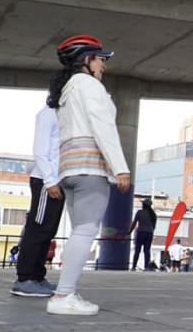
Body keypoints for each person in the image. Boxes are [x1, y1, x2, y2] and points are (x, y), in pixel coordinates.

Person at [45, 34, 130, 315]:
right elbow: (103, 126)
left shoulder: (67, 90)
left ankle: (65, 292)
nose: (104, 64)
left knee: (79, 232)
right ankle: (63, 295)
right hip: (90, 167)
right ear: (87, 60)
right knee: (84, 232)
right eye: (100, 59)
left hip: (69, 169)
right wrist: (120, 167)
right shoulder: (89, 86)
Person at [11, 102, 65, 297]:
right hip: (45, 180)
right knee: (37, 229)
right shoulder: (48, 114)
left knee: (48, 231)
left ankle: (37, 277)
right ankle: (24, 279)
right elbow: (40, 151)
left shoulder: (67, 115)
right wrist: (50, 182)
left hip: (58, 180)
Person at [130, 198, 157, 271]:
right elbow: (154, 226)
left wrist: (129, 232)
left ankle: (133, 267)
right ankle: (146, 267)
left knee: (137, 250)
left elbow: (134, 223)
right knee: (147, 251)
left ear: (144, 205)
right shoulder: (153, 215)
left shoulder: (139, 212)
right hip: (149, 233)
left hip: (141, 232)